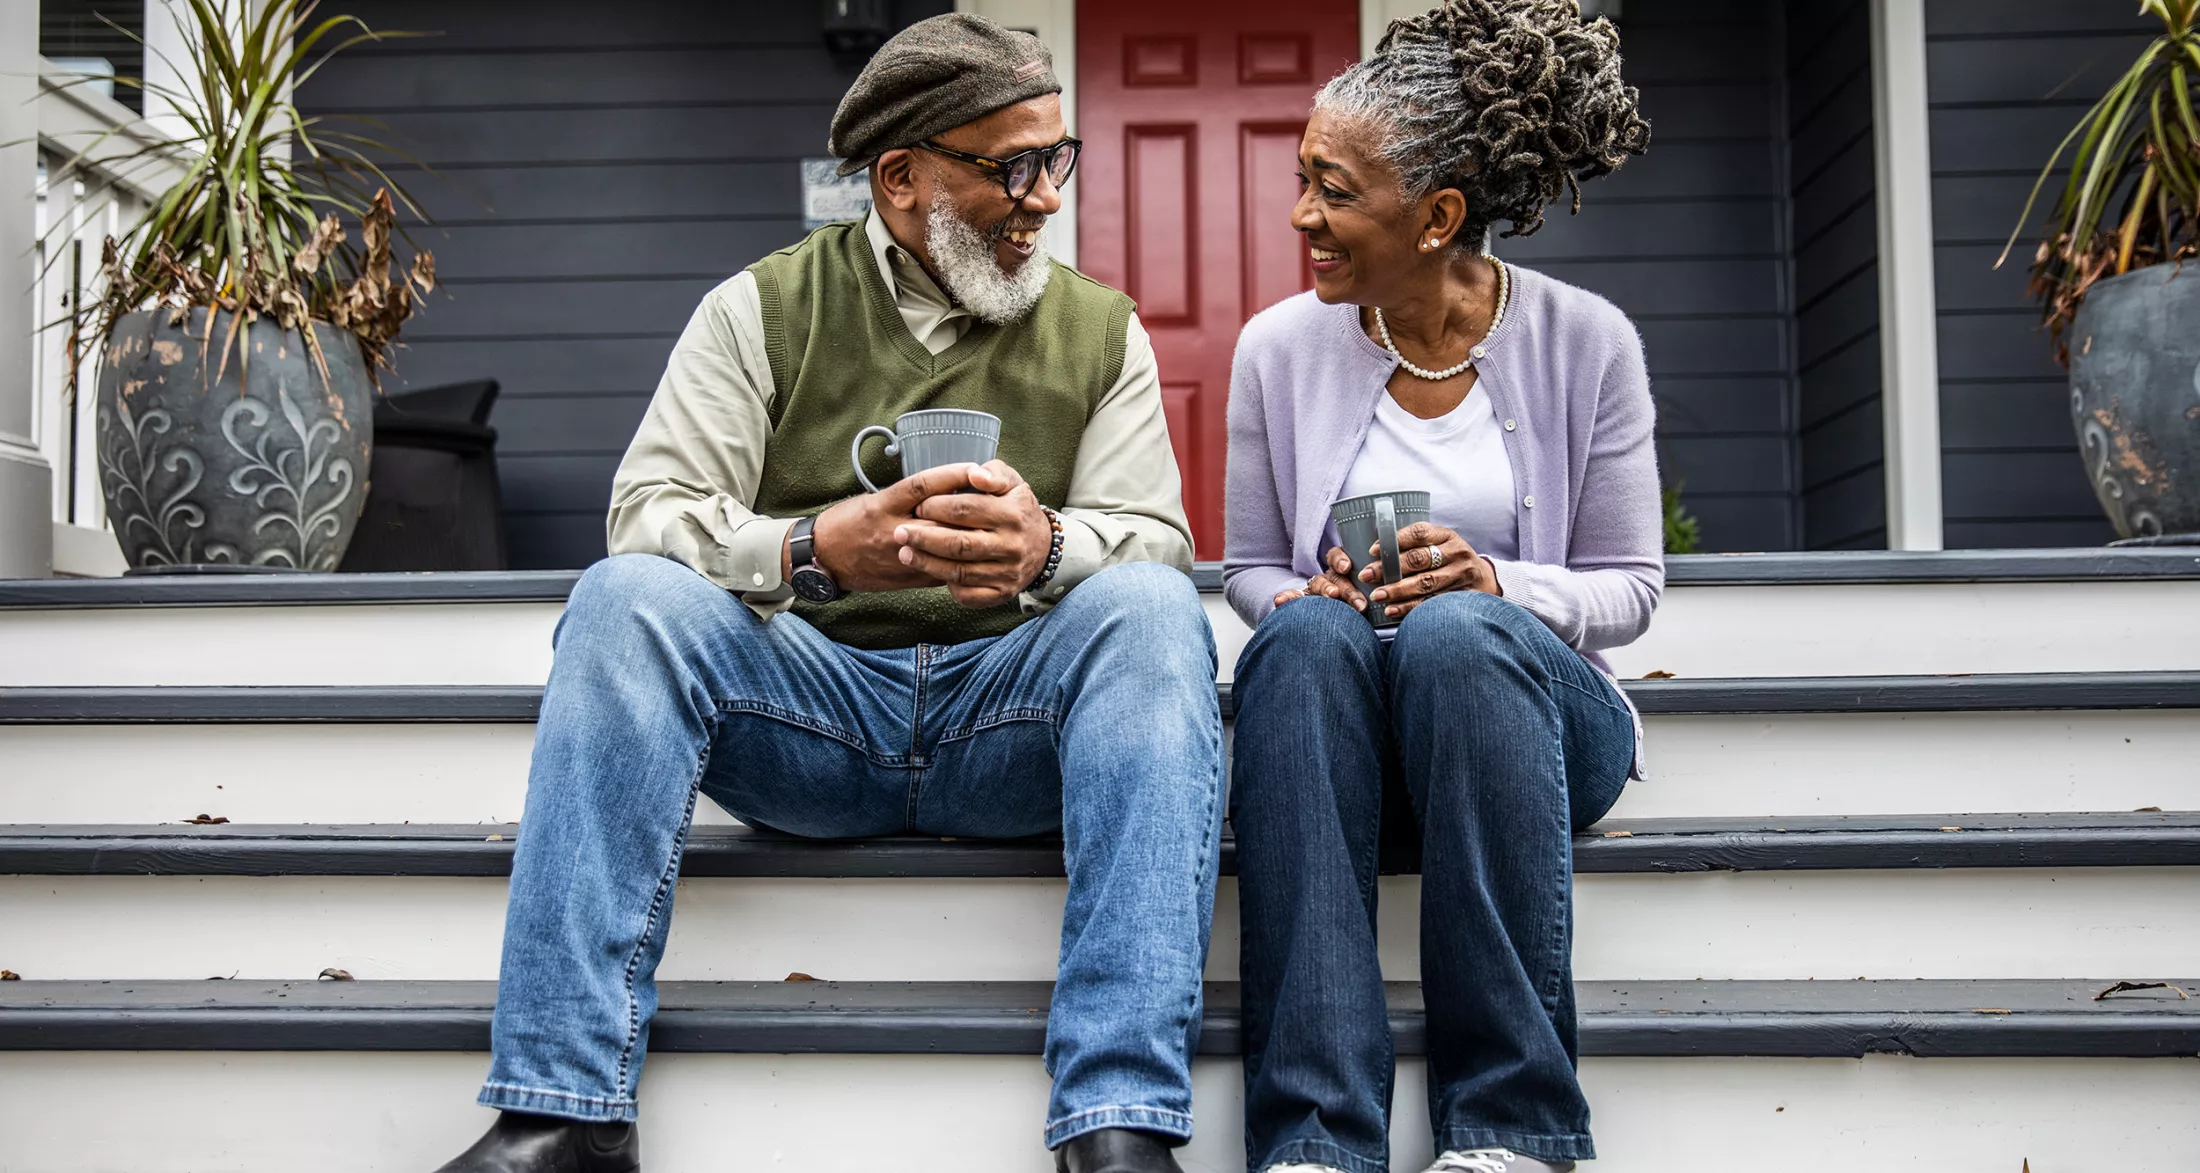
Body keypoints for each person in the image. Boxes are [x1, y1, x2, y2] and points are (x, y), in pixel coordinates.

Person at [428, 15, 1222, 1173]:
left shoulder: (1103, 333)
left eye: (1055, 160)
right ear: (901, 178)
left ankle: (1118, 1123)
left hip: (1013, 728)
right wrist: (806, 550)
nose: (1043, 197)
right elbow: (645, 513)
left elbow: (1156, 540)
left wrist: (1048, 548)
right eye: (1010, 166)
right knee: (622, 598)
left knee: (1151, 608)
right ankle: (565, 1112)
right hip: (806, 725)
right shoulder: (759, 309)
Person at [1220, 3, 1659, 1172]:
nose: (1303, 215)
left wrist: (1501, 582)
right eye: (1303, 180)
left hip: (1531, 728)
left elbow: (1631, 589)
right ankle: (1313, 1138)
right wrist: (1290, 602)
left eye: (1334, 189)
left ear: (1438, 217)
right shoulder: (1276, 350)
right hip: (1351, 726)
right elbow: (1250, 567)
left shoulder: (1587, 341)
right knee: (1299, 649)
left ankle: (1510, 1126)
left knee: (1462, 632)